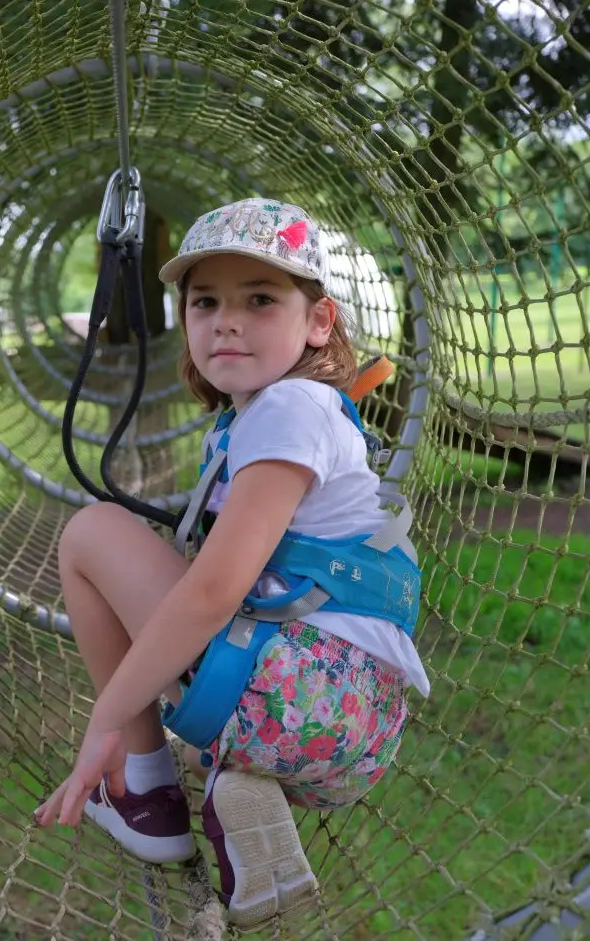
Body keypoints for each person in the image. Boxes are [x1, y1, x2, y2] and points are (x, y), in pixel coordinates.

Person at [34, 197, 430, 928]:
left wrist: (108, 717)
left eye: (260, 299)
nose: (227, 320)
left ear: (319, 321)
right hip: (353, 728)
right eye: (205, 300)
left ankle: (145, 789)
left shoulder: (288, 410)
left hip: (307, 693)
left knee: (92, 532)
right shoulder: (273, 413)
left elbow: (215, 589)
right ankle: (240, 786)